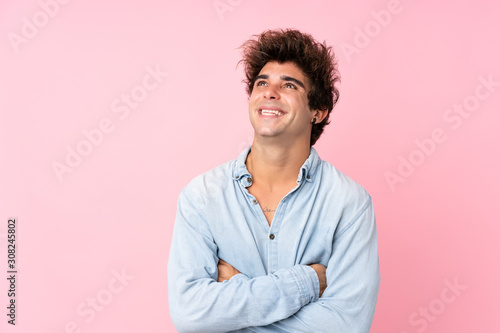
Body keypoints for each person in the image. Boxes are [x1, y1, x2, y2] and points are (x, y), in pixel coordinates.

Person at [168, 29, 380, 333]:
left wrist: (236, 291)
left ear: (317, 112)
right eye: (262, 83)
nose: (269, 92)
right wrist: (308, 281)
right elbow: (190, 315)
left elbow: (346, 326)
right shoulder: (201, 196)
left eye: (289, 85)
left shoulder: (350, 203)